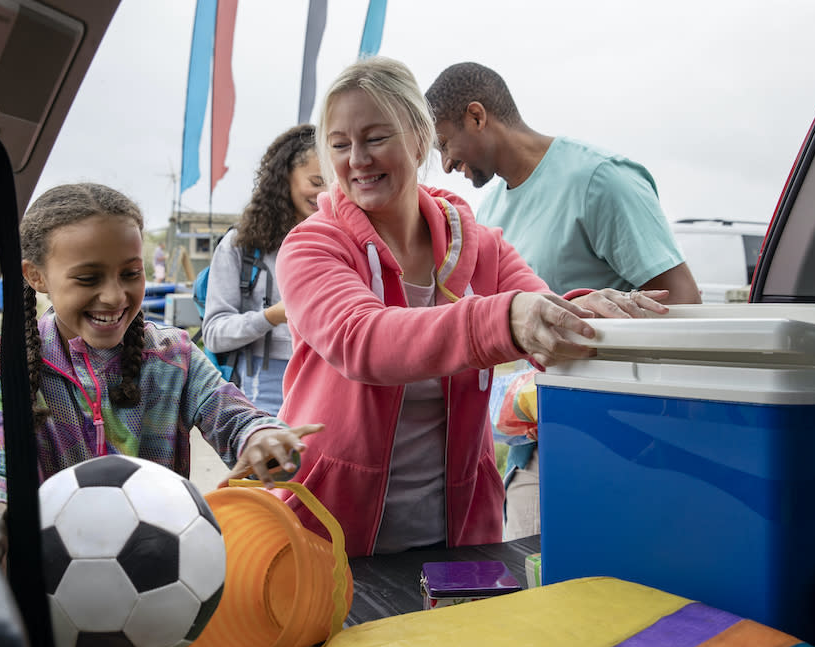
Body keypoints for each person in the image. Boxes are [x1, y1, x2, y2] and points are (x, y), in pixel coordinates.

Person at [270, 56, 669, 558]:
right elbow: (362, 341)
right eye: (340, 146)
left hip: (459, 535)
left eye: (375, 139)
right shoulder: (312, 247)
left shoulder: (481, 245)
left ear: (418, 140)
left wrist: (587, 312)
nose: (358, 160)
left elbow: (539, 313)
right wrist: (504, 318)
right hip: (330, 536)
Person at [0, 183, 321, 563]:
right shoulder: (4, 363)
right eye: (88, 278)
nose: (115, 296)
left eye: (131, 273)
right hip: (48, 576)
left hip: (160, 571)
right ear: (36, 277)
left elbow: (233, 415)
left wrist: (263, 438)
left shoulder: (175, 357)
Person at [426, 62, 702, 540]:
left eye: (445, 144)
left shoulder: (599, 180)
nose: (446, 165)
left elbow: (682, 302)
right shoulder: (490, 211)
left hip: (618, 442)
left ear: (477, 116)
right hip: (531, 446)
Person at [201, 124, 324, 415]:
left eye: (336, 182)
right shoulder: (240, 245)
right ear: (284, 179)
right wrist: (271, 316)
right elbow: (215, 333)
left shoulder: (345, 240)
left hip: (328, 382)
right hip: (264, 393)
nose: (326, 194)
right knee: (273, 461)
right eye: (317, 181)